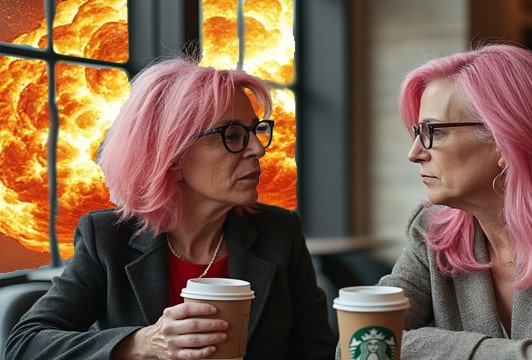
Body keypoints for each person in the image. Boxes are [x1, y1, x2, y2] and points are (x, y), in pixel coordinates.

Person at [6, 54, 336, 360]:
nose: (257, 150)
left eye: (256, 131)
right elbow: (25, 344)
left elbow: (315, 350)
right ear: (173, 156)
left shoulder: (280, 231)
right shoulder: (107, 238)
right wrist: (141, 342)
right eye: (233, 135)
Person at [340, 44, 532, 359]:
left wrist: (415, 346)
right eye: (417, 132)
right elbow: (354, 345)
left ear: (505, 140)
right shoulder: (432, 232)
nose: (414, 153)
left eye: (434, 131)